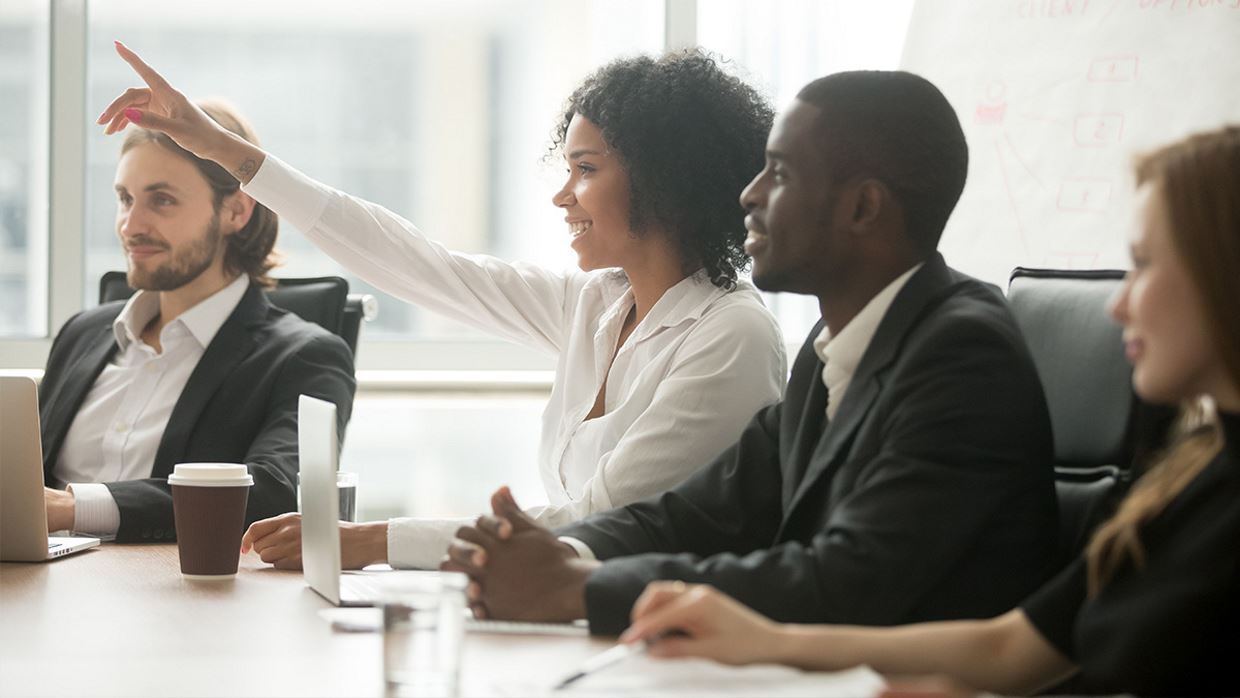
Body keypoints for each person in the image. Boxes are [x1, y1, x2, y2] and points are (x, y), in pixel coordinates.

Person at [99, 43, 786, 570]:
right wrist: (222, 149)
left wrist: (372, 541)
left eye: (586, 169)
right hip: (574, 615)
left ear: (665, 180)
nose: (562, 196)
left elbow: (601, 522)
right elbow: (418, 266)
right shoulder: (597, 305)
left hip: (663, 639)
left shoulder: (731, 335)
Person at [619, 125, 1240, 697]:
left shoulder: (958, 349)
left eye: (1149, 264)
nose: (1118, 305)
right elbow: (1013, 646)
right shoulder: (1192, 476)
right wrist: (768, 641)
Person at [441, 70, 1058, 636]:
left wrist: (583, 587)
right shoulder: (833, 354)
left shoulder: (961, 355)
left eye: (781, 174)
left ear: (863, 208)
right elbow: (695, 514)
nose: (749, 195)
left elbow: (843, 579)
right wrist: (561, 553)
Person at [40, 100, 356, 543]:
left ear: (235, 212)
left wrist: (73, 508)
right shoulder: (83, 333)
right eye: (125, 199)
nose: (131, 225)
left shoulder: (304, 357)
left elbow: (274, 491)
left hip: (175, 593)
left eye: (162, 200)